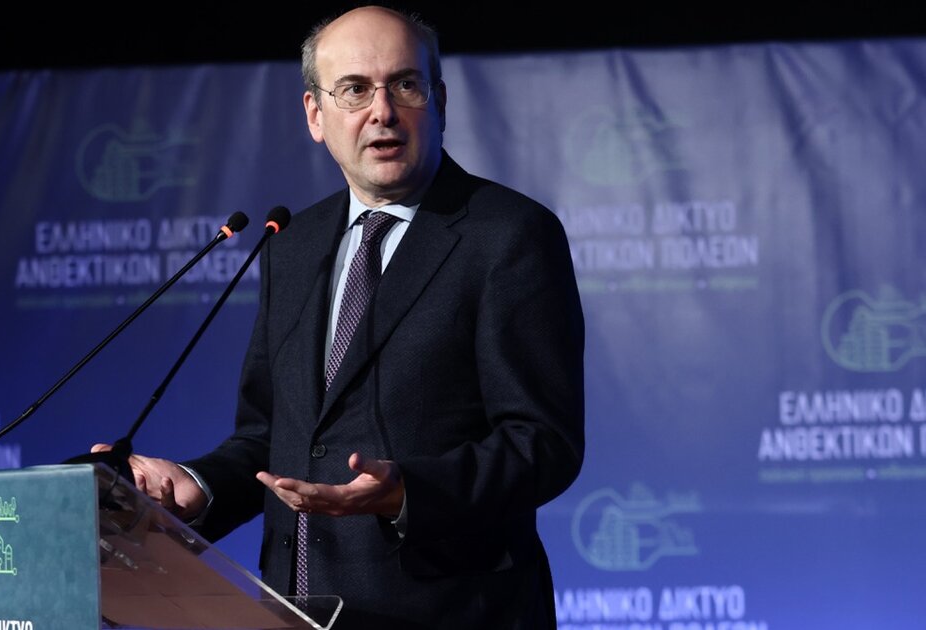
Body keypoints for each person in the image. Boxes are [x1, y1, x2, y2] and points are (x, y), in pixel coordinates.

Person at [96, 6, 585, 628]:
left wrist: (407, 492)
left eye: (405, 85)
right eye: (354, 89)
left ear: (438, 102)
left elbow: (542, 442)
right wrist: (196, 486)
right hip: (296, 608)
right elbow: (272, 438)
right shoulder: (293, 245)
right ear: (315, 115)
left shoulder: (509, 235)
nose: (382, 111)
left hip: (450, 612)